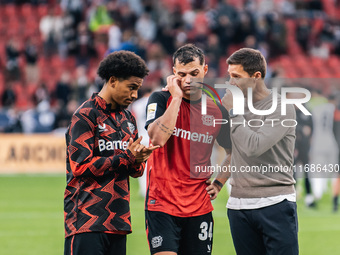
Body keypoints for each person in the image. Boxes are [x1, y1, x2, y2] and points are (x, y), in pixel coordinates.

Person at [64, 50, 159, 255]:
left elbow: (135, 170)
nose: (134, 95)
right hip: (86, 221)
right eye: (131, 88)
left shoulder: (128, 119)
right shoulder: (85, 115)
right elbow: (80, 166)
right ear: (113, 80)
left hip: (119, 222)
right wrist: (127, 157)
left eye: (138, 89)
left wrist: (139, 159)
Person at [207, 48, 299, 254]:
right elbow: (234, 153)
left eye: (236, 77)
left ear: (256, 77)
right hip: (238, 207)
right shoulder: (236, 107)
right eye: (229, 76)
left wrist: (234, 111)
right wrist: (218, 183)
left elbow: (253, 147)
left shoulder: (282, 106)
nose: (230, 83)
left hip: (275, 203)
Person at [144, 44, 232, 255]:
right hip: (162, 204)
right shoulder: (161, 100)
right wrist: (175, 98)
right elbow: (157, 138)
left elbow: (234, 152)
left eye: (194, 73)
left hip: (199, 206)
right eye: (182, 75)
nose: (188, 80)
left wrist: (219, 183)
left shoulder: (216, 110)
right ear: (174, 73)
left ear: (205, 70)